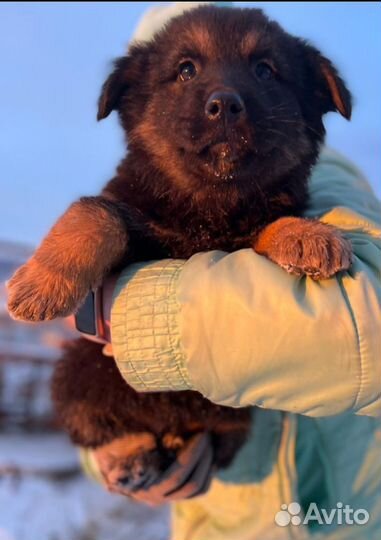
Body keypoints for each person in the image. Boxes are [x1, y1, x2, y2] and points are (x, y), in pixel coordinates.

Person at [78, 3, 381, 539]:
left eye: (262, 69)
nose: (223, 95)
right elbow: (89, 364)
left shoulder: (324, 174)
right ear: (138, 101)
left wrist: (135, 315)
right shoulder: (143, 194)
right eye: (185, 70)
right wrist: (107, 444)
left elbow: (367, 327)